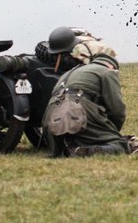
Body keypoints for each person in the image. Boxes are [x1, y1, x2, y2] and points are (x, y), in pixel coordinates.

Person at [42, 27, 129, 157]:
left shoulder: (69, 72)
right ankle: (89, 150)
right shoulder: (107, 72)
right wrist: (111, 132)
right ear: (111, 65)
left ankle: (66, 149)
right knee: (121, 145)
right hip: (76, 109)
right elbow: (117, 111)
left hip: (51, 120)